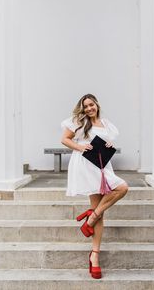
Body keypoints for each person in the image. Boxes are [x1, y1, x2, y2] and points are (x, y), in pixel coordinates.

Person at [61, 94, 128, 279]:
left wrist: (108, 144)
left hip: (102, 164)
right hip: (86, 164)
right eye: (86, 106)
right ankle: (95, 256)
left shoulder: (106, 123)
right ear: (82, 109)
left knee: (122, 188)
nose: (89, 108)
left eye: (91, 105)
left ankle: (91, 218)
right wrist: (81, 147)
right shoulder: (79, 121)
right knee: (101, 209)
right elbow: (65, 139)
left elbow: (106, 141)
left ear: (97, 104)